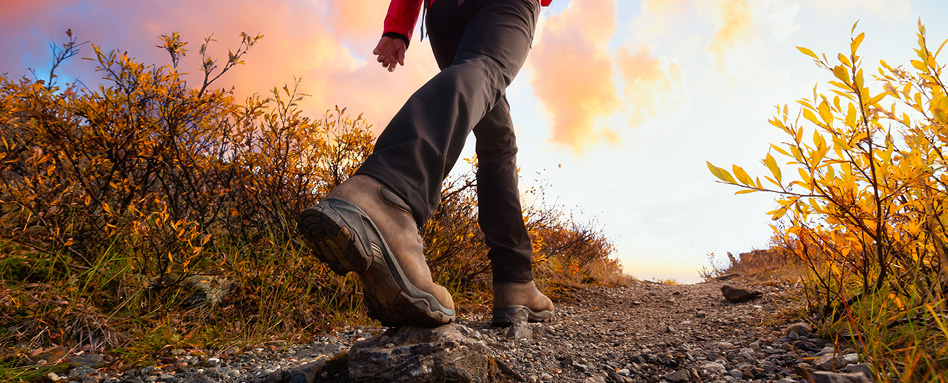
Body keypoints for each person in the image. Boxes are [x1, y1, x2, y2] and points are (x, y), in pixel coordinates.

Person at [298, 0, 554, 327]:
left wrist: (396, 28)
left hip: (444, 12)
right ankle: (389, 193)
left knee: (498, 139)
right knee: (486, 67)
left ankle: (515, 280)